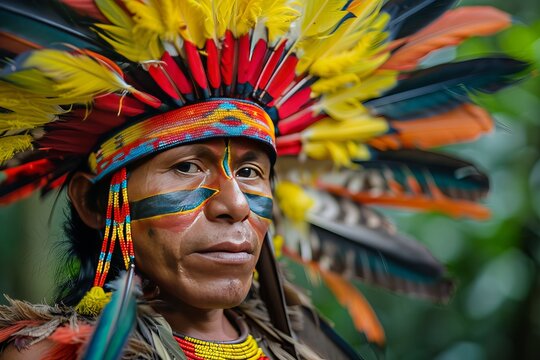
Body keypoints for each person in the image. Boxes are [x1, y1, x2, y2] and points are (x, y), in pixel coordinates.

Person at [0, 0, 526, 359]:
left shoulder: (306, 347)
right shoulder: (49, 351)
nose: (236, 204)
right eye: (187, 165)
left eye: (251, 171)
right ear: (95, 202)